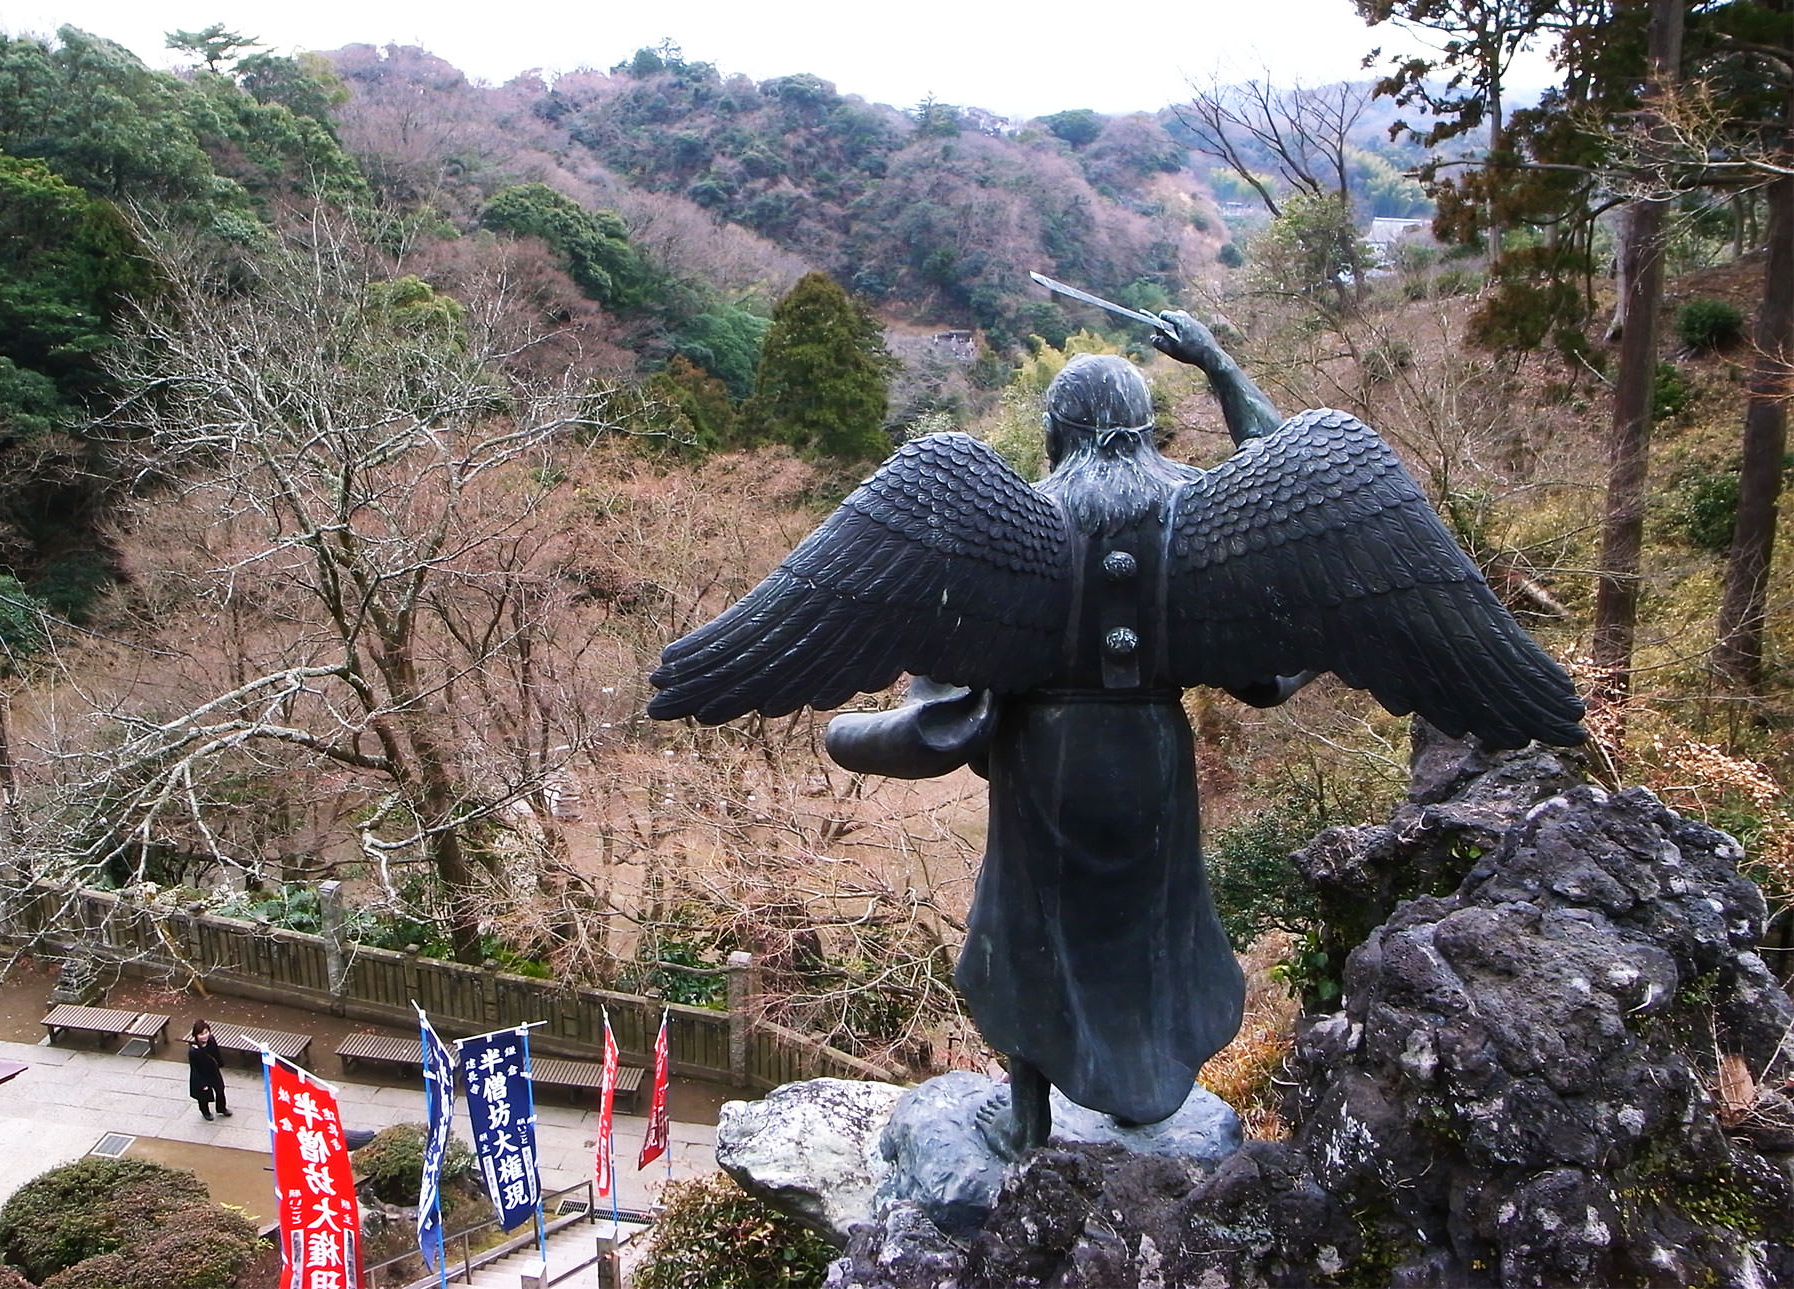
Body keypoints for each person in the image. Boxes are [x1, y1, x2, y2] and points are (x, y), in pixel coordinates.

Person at [649, 307, 1584, 1158]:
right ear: (1149, 428)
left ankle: (1028, 1111)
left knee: (1030, 922)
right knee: (1154, 919)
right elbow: (1289, 486)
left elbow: (940, 714)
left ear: (1055, 429)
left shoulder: (1017, 520)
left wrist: (845, 733)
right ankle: (1149, 1087)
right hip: (1153, 755)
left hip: (1044, 757)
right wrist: (1221, 367)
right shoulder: (1197, 514)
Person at [187, 1019, 230, 1120]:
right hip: (202, 1075)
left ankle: (221, 1108)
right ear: (196, 1035)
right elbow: (195, 1069)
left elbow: (216, 1052)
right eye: (201, 1034)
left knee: (220, 1090)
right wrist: (203, 1083)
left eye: (206, 1032)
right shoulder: (194, 1051)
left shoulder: (211, 1040)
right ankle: (205, 1111)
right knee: (203, 1095)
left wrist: (220, 1063)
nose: (205, 1036)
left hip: (213, 1071)